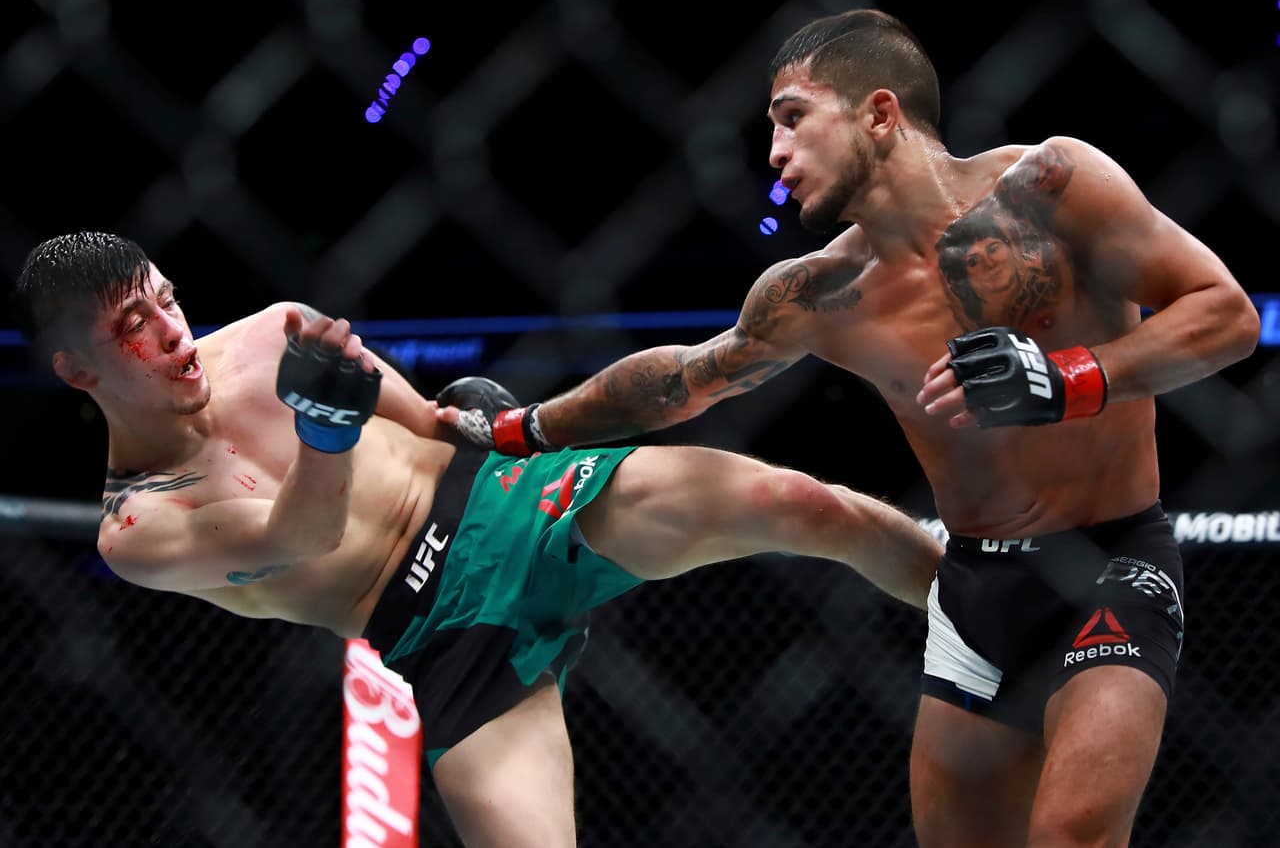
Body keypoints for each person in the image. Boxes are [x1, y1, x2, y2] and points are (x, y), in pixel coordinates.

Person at [434, 8, 1261, 847]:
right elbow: (683, 383)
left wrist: (1069, 378)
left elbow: (1224, 314)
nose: (773, 154)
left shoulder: (1051, 186)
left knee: (1073, 834)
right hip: (974, 586)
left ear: (878, 112)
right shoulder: (821, 291)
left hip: (1113, 557)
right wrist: (518, 427)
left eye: (793, 117)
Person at [11, 230, 944, 848]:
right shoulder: (137, 525)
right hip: (443, 639)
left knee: (804, 502)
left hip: (515, 505)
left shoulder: (265, 336)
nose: (173, 332)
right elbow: (303, 531)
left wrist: (456, 419)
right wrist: (326, 433)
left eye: (168, 301)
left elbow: (395, 396)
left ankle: (982, 596)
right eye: (135, 326)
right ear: (75, 366)